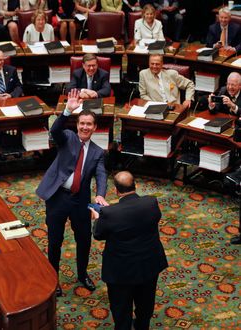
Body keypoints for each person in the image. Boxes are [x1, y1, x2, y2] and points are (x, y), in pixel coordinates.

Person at [36, 89, 108, 296]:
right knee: (55, 240)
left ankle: (82, 274)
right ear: (77, 125)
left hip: (80, 200)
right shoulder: (67, 137)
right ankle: (53, 278)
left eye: (89, 124)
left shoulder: (97, 152)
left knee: (84, 239)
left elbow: (101, 175)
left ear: (95, 128)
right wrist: (67, 111)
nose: (85, 127)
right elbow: (55, 131)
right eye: (82, 123)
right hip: (58, 197)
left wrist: (101, 194)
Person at [91, 171, 168, 330]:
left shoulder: (109, 214)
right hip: (149, 265)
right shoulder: (151, 202)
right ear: (136, 185)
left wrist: (99, 218)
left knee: (121, 310)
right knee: (145, 304)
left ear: (116, 191)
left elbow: (98, 234)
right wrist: (109, 213)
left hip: (121, 271)